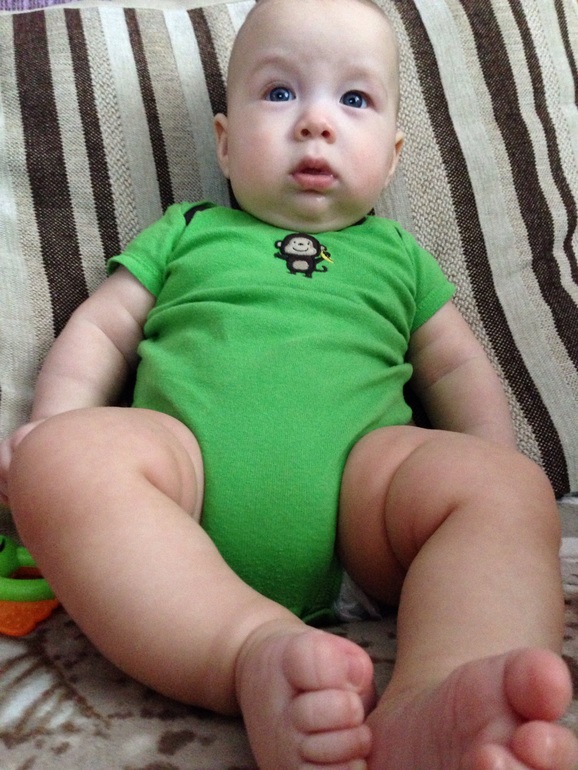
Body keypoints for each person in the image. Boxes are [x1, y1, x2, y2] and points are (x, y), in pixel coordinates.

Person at [1, 0, 577, 768]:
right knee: (58, 459)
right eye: (279, 93)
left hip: (367, 516)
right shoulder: (188, 231)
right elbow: (103, 331)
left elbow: (456, 367)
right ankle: (250, 652)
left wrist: (484, 470)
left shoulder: (399, 256)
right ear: (225, 141)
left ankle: (440, 696)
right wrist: (56, 423)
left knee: (510, 488)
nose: (315, 123)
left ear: (393, 157)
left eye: (355, 99)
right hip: (179, 501)